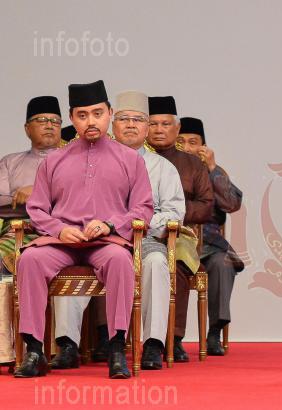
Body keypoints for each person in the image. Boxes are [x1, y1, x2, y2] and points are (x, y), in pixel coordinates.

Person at [14, 80, 154, 379]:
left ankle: (117, 349)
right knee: (29, 259)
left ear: (109, 114)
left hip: (106, 242)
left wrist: (109, 224)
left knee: (121, 261)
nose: (90, 121)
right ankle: (35, 350)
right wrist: (59, 230)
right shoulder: (54, 160)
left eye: (97, 113)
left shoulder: (130, 160)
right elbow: (37, 208)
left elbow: (143, 208)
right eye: (82, 115)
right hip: (61, 243)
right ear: (72, 118)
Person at [52, 91, 186, 371]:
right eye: (124, 119)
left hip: (143, 240)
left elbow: (175, 213)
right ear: (113, 123)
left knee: (157, 262)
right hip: (97, 239)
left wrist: (133, 223)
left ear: (147, 127)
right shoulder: (88, 160)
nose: (131, 125)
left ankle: (153, 344)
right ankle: (67, 344)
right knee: (70, 260)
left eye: (138, 119)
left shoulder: (163, 168)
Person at [147, 97, 214, 362]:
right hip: (140, 232)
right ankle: (107, 338)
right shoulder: (134, 159)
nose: (159, 129)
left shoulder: (192, 164)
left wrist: (173, 213)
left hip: (180, 233)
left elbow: (206, 206)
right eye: (153, 124)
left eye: (165, 124)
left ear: (177, 129)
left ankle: (172, 338)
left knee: (177, 264)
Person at [178, 117, 243, 355]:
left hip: (209, 244)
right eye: (181, 142)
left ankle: (214, 331)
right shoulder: (168, 168)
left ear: (203, 146)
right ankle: (172, 337)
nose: (187, 148)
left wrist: (213, 168)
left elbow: (232, 204)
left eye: (193, 142)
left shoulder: (214, 171)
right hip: (176, 241)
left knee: (223, 263)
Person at [0, 96, 62, 276]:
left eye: (55, 121)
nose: (49, 125)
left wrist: (37, 193)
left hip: (61, 230)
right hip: (19, 230)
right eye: (41, 120)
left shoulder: (76, 161)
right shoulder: (10, 162)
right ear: (27, 129)